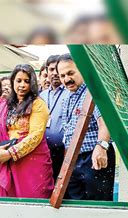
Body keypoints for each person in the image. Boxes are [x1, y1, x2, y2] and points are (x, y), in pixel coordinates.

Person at [0, 64, 54, 198]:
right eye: (18, 81)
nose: (22, 85)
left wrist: (11, 153)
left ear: (32, 83)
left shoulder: (38, 104)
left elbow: (36, 135)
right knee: (10, 203)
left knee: (33, 200)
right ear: (13, 82)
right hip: (6, 158)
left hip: (32, 162)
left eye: (26, 81)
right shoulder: (5, 105)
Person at [56, 53, 115, 200]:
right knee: (77, 206)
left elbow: (105, 121)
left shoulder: (93, 91)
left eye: (70, 73)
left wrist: (101, 146)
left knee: (97, 206)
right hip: (73, 160)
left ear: (81, 69)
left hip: (93, 156)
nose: (66, 79)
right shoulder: (67, 96)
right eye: (62, 76)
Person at [39, 54, 70, 182]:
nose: (55, 73)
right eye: (51, 69)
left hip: (64, 151)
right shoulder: (42, 95)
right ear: (46, 71)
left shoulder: (70, 92)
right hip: (45, 151)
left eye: (57, 69)